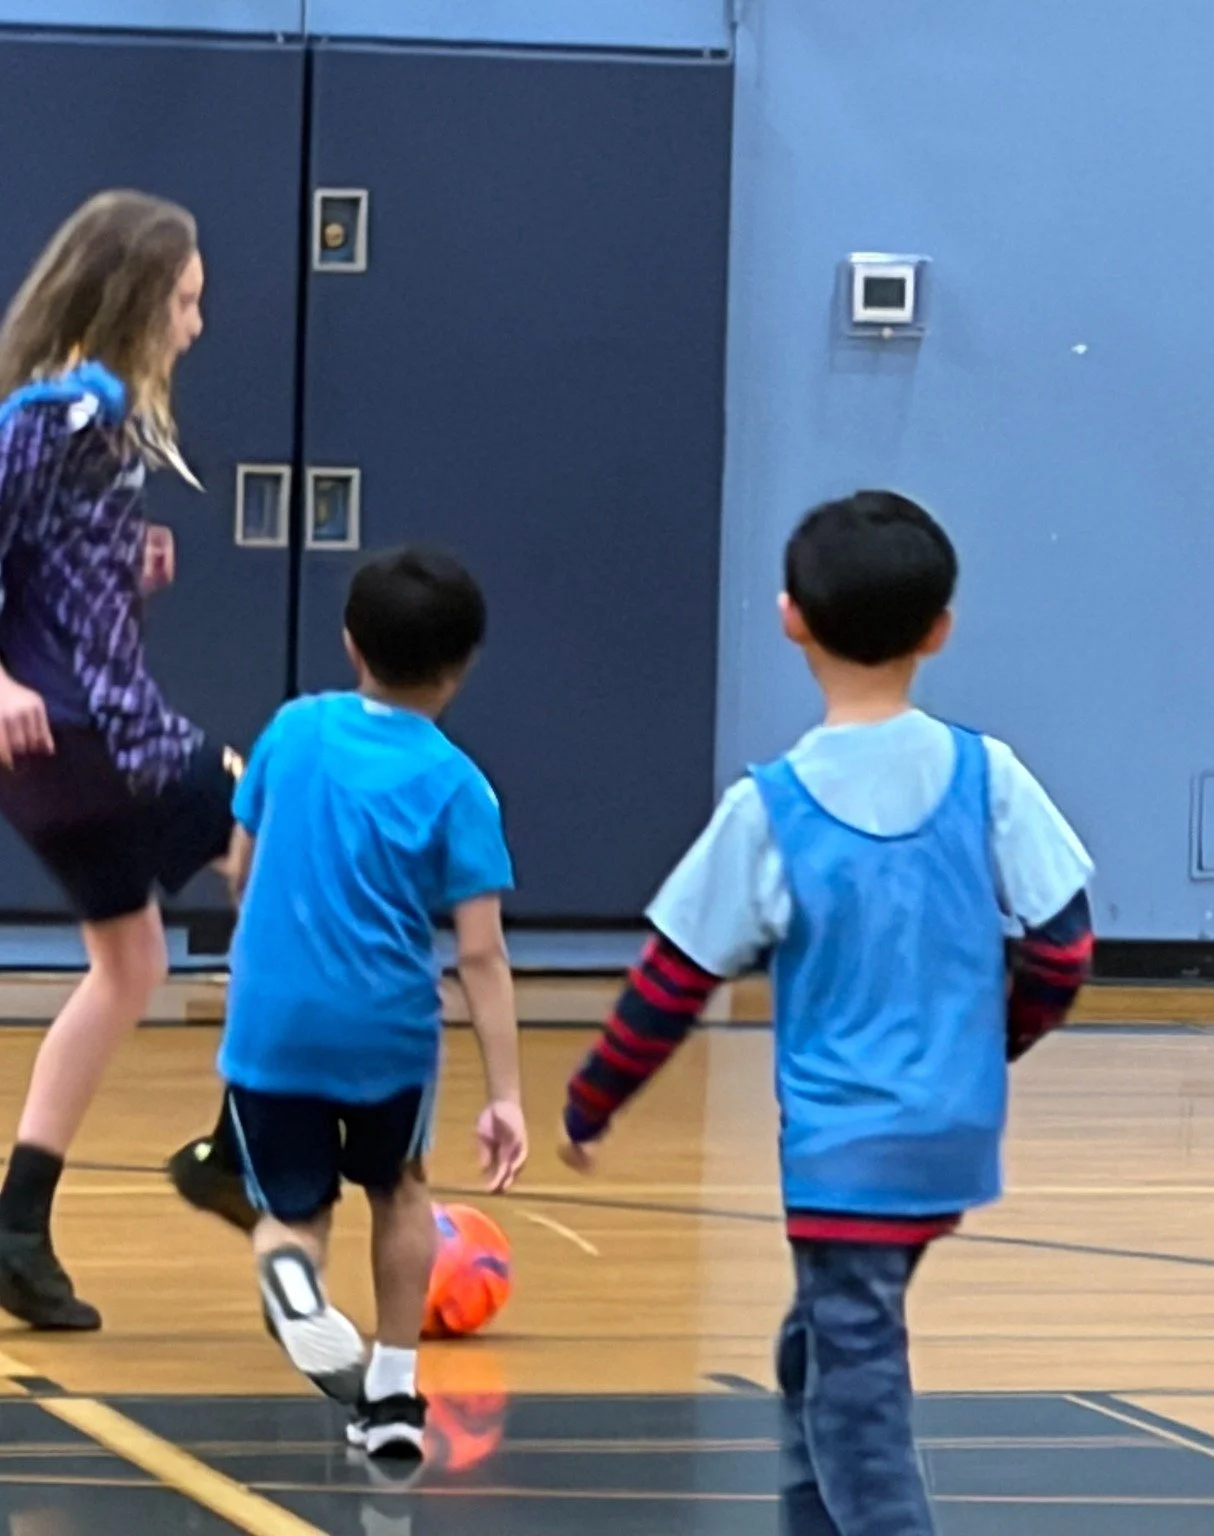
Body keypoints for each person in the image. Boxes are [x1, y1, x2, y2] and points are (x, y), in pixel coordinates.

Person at [558, 491, 1094, 1535]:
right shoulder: (990, 776)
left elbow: (672, 983)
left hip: (845, 1146)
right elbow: (1064, 948)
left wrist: (591, 1100)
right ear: (939, 629)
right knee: (819, 1344)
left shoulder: (771, 807)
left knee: (858, 1394)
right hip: (951, 1129)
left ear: (788, 616)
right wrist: (995, 1041)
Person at [219, 547, 527, 1459]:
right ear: (463, 665)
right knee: (400, 1193)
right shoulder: (459, 785)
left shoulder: (293, 730)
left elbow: (240, 870)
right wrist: (504, 1092)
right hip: (386, 1031)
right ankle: (392, 1394)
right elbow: (481, 951)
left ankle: (290, 1276)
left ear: (351, 642)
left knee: (293, 1209)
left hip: (273, 1021)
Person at [0, 190, 240, 1329]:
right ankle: (242, 1150)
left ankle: (18, 1228)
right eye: (185, 300)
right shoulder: (70, 408)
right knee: (287, 847)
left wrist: (119, 567)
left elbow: (40, 559)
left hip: (65, 756)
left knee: (131, 966)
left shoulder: (91, 420)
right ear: (138, 295)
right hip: (96, 740)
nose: (197, 323)